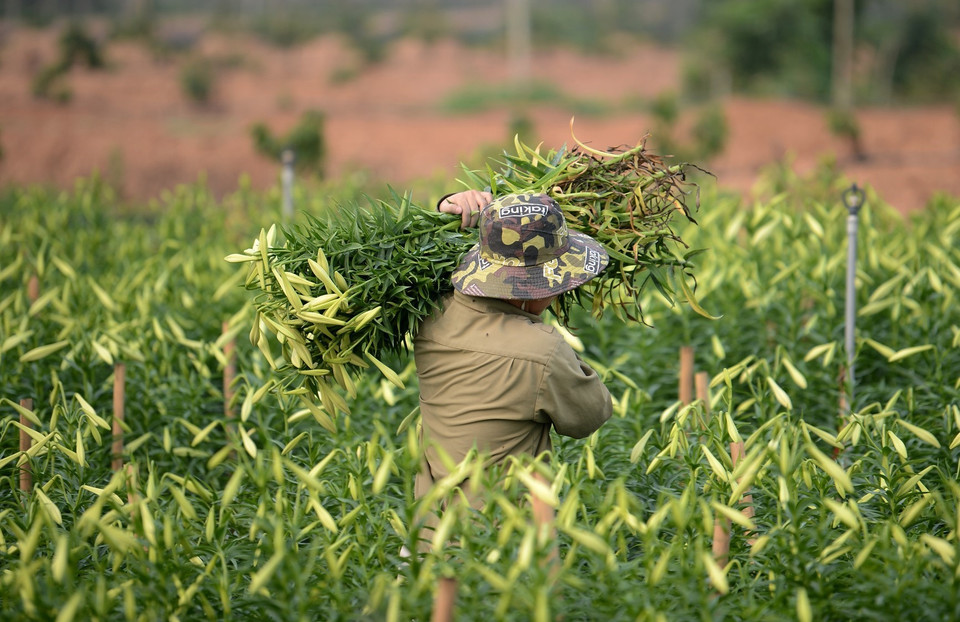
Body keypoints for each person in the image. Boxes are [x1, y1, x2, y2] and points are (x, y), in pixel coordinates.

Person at [412, 190, 613, 516]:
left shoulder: (431, 317)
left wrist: (444, 206)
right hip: (501, 548)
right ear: (535, 285)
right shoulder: (543, 352)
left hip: (426, 541)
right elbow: (592, 413)